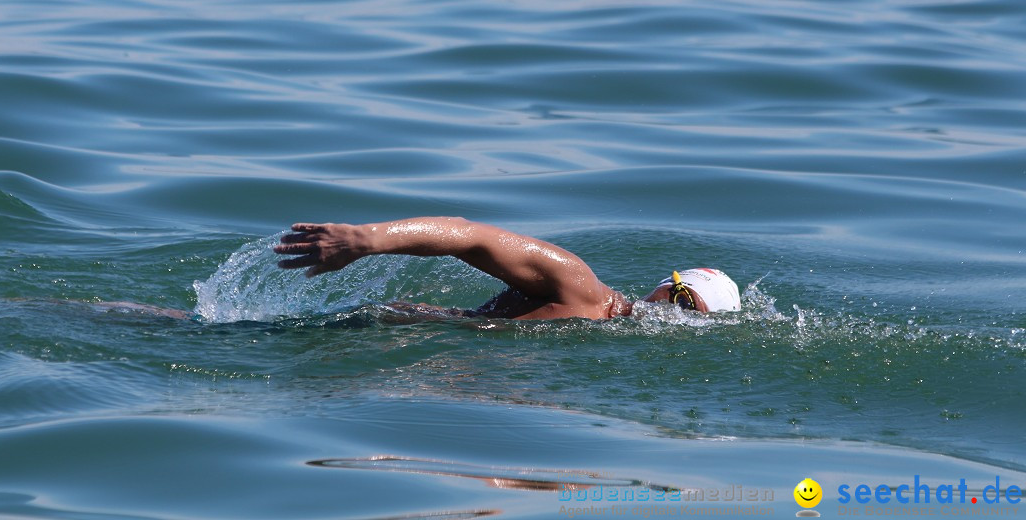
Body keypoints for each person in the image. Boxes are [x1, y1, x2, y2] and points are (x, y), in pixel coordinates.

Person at [274, 217, 740, 320]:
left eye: (694, 310)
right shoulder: (582, 288)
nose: (680, 313)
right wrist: (366, 240)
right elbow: (472, 236)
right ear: (661, 287)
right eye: (679, 295)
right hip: (379, 334)